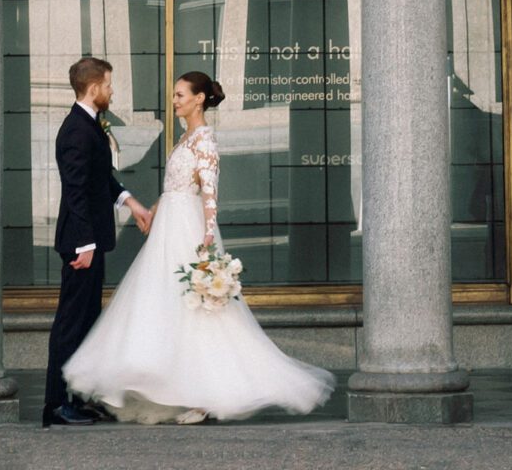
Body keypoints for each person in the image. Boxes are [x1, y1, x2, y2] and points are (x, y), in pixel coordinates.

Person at [63, 70, 335, 425]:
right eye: (174, 94)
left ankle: (206, 395)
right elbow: (176, 185)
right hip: (168, 228)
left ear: (199, 99)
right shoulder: (186, 137)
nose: (174, 100)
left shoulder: (204, 140)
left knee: (198, 312)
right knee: (164, 307)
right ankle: (172, 386)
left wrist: (207, 241)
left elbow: (209, 194)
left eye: (180, 95)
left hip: (188, 232)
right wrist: (151, 210)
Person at [42, 55, 153, 428]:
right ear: (93, 89)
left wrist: (132, 203)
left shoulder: (88, 125)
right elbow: (75, 192)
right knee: (71, 324)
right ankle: (57, 405)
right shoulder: (75, 130)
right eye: (108, 84)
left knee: (88, 321)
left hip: (90, 242)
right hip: (81, 244)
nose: (111, 90)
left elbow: (100, 179)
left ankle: (79, 397)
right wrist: (85, 244)